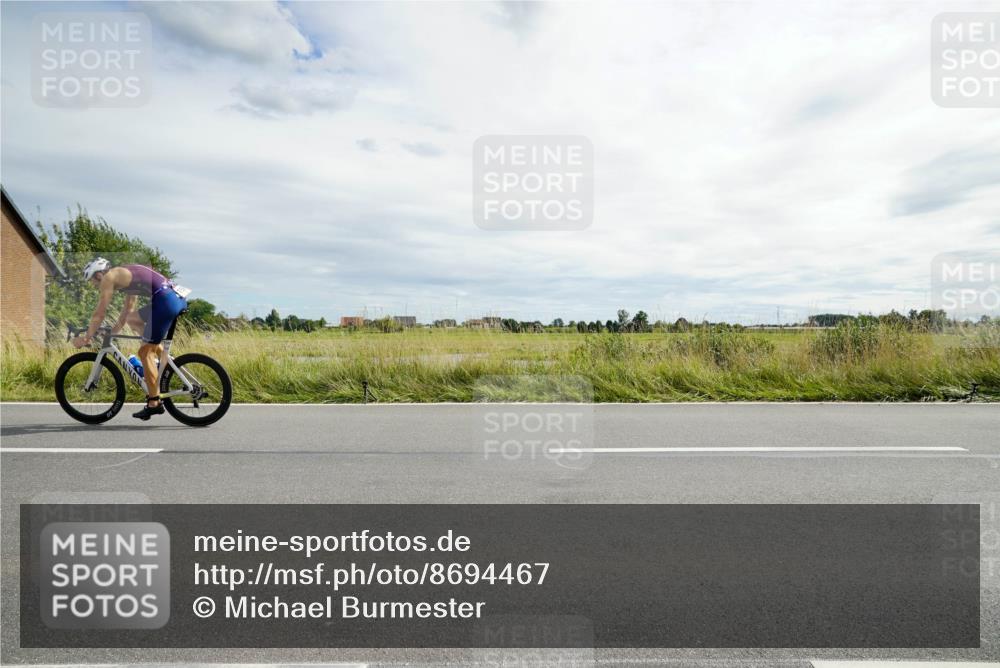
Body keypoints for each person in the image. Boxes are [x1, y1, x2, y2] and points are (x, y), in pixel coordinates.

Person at [74, 258, 188, 420]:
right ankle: (164, 361)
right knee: (133, 319)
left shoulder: (109, 277)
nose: (94, 286)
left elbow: (100, 312)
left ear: (98, 275)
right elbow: (127, 312)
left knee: (144, 353)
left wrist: (86, 338)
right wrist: (112, 333)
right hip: (174, 297)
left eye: (92, 281)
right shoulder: (126, 276)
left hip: (166, 301)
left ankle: (154, 403)